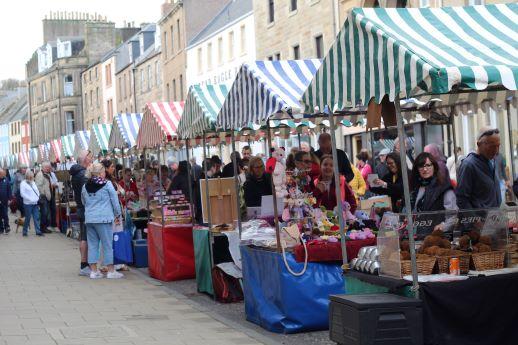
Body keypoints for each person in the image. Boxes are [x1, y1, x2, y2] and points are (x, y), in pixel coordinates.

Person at [81, 163, 123, 279]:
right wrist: (118, 214)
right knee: (107, 245)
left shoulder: (85, 186)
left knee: (93, 245)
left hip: (90, 219)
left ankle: (94, 271)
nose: (105, 174)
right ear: (100, 173)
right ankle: (111, 271)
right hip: (104, 218)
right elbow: (115, 201)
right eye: (104, 171)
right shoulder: (107, 184)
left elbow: (83, 201)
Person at [456, 127, 502, 209]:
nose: (496, 151)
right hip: (480, 219)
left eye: (498, 146)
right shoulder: (468, 165)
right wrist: (476, 219)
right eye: (492, 146)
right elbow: (462, 199)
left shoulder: (492, 160)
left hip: (493, 218)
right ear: (479, 144)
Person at [70, 149, 93, 276]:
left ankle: (85, 264)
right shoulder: (83, 174)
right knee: (85, 238)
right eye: (90, 157)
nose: (92, 159)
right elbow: (87, 193)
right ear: (85, 159)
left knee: (83, 237)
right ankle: (84, 265)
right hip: (85, 209)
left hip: (80, 208)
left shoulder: (76, 173)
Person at [20, 170, 43, 237]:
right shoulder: (23, 183)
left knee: (37, 217)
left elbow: (37, 190)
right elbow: (22, 194)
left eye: (32, 177)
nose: (31, 178)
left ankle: (38, 231)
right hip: (27, 204)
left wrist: (38, 197)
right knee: (28, 218)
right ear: (27, 176)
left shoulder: (33, 182)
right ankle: (24, 231)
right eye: (30, 177)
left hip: (35, 203)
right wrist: (30, 199)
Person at [35, 162, 53, 234]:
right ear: (44, 167)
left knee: (46, 212)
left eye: (49, 167)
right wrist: (44, 193)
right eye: (48, 167)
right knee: (44, 212)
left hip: (46, 196)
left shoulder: (46, 174)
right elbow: (38, 186)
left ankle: (44, 227)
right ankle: (43, 228)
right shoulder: (40, 175)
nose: (49, 168)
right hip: (43, 196)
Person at [0, 169, 11, 234]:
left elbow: (9, 190)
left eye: (4, 174)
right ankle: (1, 228)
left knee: (5, 215)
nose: (4, 175)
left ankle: (7, 227)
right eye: (2, 174)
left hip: (5, 201)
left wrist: (10, 199)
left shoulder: (6, 180)